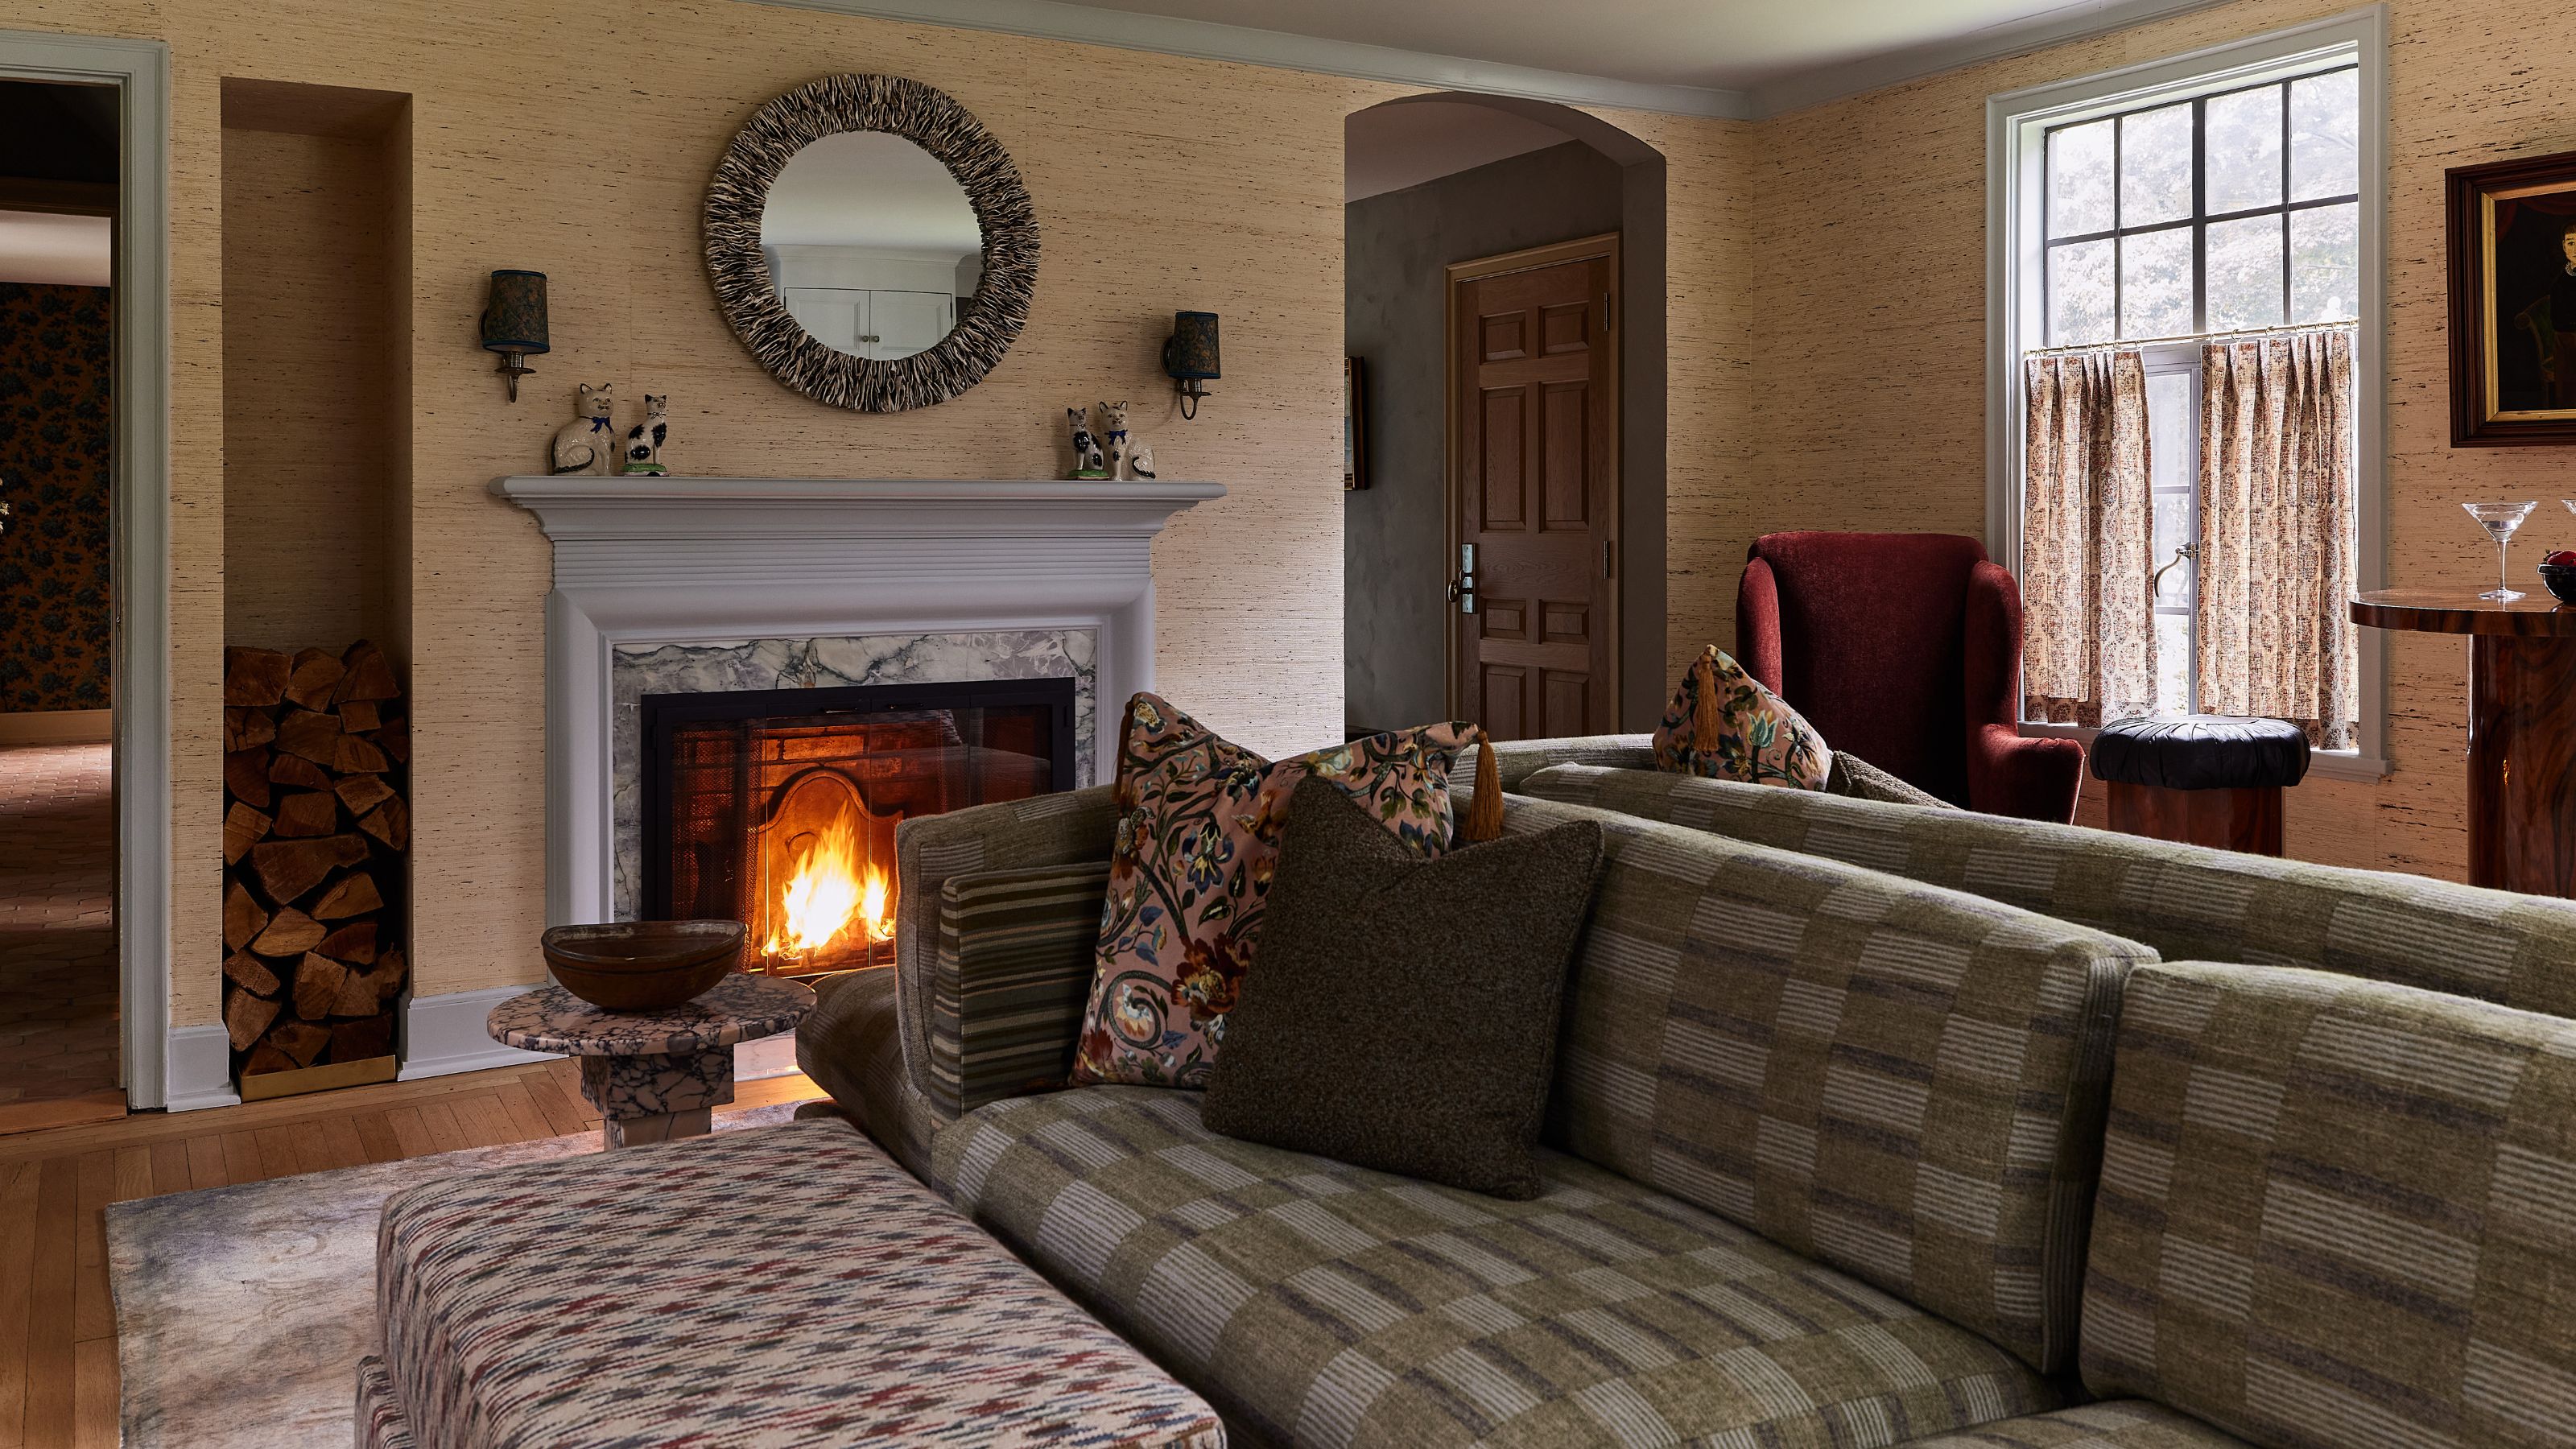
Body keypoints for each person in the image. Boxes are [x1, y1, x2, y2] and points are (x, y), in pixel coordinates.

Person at [2512, 215, 2576, 410]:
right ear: (2564, 247)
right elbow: (2559, 320)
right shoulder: (2560, 284)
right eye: (2571, 243)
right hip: (2568, 339)